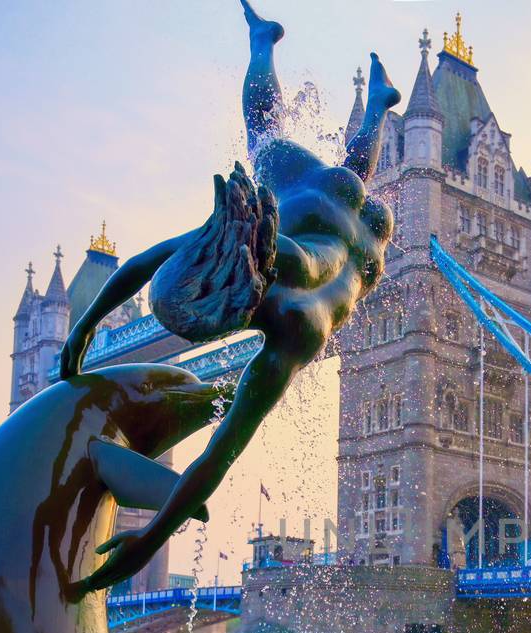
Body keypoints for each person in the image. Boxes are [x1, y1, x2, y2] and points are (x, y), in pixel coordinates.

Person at [69, 0, 401, 591]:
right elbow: (150, 263)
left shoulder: (293, 339)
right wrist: (86, 327)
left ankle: (318, 74)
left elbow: (212, 461)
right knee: (282, 146)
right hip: (332, 207)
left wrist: (149, 540)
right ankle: (304, 66)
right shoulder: (251, 240)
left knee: (278, 141)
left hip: (373, 236)